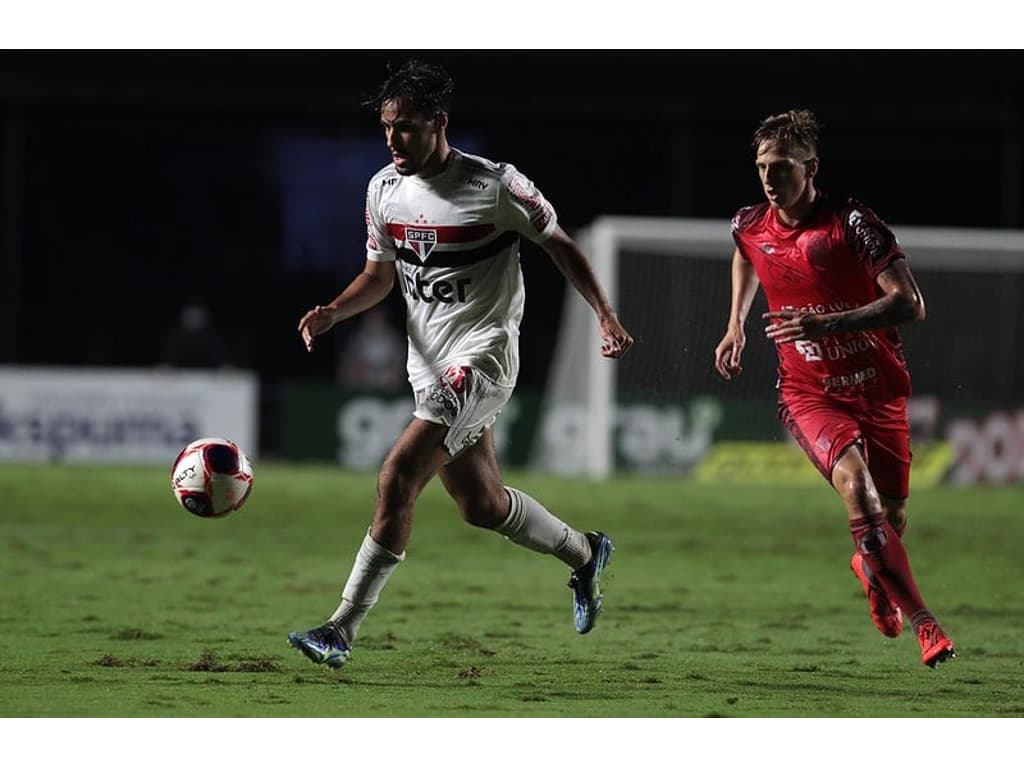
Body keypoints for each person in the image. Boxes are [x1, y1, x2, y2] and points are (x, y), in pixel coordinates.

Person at [288, 60, 633, 669]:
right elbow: (378, 276)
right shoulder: (383, 191)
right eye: (387, 128)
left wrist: (603, 314)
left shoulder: (496, 186)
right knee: (483, 504)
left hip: (482, 359)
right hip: (427, 365)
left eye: (408, 128)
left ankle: (341, 627)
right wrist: (334, 313)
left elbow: (562, 246)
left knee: (398, 477)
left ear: (439, 124)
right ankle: (585, 552)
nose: (394, 140)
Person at [713, 109, 956, 669]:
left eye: (782, 167)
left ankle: (872, 574)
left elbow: (910, 304)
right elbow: (745, 251)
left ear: (811, 167)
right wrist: (735, 324)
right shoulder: (749, 223)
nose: (770, 179)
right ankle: (926, 625)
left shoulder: (853, 224)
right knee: (857, 488)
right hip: (808, 393)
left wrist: (828, 323)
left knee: (891, 518)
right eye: (761, 168)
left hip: (879, 389)